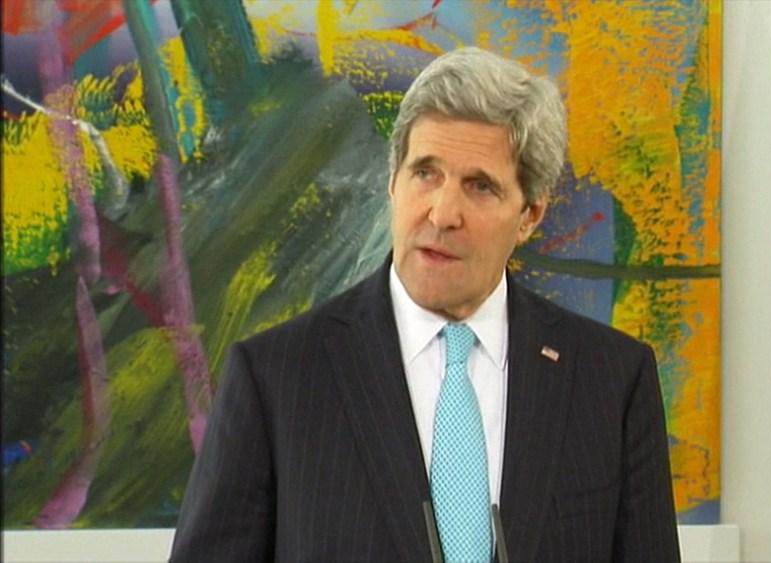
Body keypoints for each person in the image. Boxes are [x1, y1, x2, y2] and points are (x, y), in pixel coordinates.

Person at [170, 46, 680, 562]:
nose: (442, 214)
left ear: (529, 215)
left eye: (480, 186)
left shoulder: (612, 379)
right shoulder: (276, 378)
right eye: (425, 174)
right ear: (393, 181)